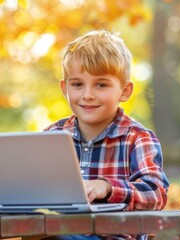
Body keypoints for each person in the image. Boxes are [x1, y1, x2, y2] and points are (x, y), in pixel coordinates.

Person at [42, 30, 169, 240]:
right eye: (77, 84)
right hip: (59, 232)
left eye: (101, 84)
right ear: (65, 89)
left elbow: (155, 194)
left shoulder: (138, 138)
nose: (88, 95)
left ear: (125, 91)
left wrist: (108, 187)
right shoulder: (52, 136)